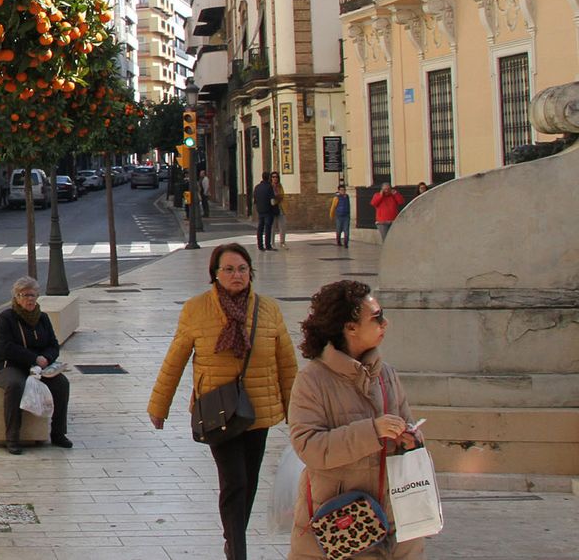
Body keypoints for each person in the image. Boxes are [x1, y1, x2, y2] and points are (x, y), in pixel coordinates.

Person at [148, 243, 298, 560]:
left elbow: (286, 362)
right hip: (217, 409)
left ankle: (234, 539)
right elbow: (175, 358)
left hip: (258, 408)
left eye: (242, 268)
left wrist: (296, 409)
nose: (236, 275)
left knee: (250, 481)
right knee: (235, 482)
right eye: (228, 269)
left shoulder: (268, 309)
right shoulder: (196, 309)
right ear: (215, 274)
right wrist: (158, 406)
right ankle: (237, 551)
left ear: (250, 272)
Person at [287, 280, 425, 560]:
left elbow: (408, 424)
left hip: (396, 523)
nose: (385, 323)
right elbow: (309, 447)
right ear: (350, 328)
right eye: (377, 317)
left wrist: (411, 440)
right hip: (340, 527)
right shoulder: (313, 379)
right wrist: (372, 431)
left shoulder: (386, 374)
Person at [0, 275, 72, 454]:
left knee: (62, 384)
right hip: (7, 365)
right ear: (17, 297)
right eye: (25, 295)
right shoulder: (6, 318)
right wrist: (33, 359)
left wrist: (46, 359)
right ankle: (12, 437)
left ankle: (58, 433)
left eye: (33, 295)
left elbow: (53, 344)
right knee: (15, 385)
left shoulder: (42, 318)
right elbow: (6, 347)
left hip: (39, 367)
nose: (30, 299)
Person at [252, 174, 278, 252]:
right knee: (268, 228)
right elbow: (272, 201)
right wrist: (274, 206)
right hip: (268, 211)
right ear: (269, 178)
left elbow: (255, 200)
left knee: (260, 228)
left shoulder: (257, 187)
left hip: (260, 210)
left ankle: (260, 245)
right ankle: (268, 245)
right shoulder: (269, 187)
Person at [329, 182, 352, 248]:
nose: (343, 191)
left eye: (344, 190)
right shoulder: (336, 198)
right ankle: (338, 241)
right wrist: (331, 215)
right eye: (341, 190)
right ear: (339, 191)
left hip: (346, 216)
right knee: (339, 230)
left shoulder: (347, 197)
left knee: (346, 230)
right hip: (339, 216)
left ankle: (346, 243)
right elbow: (333, 207)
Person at [271, 172, 287, 248]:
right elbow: (272, 197)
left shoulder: (280, 186)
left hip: (281, 208)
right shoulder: (270, 187)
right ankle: (272, 242)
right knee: (272, 226)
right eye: (273, 177)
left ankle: (282, 242)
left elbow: (282, 195)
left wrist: (277, 197)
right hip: (272, 209)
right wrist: (277, 197)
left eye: (276, 177)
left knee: (282, 226)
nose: (275, 178)